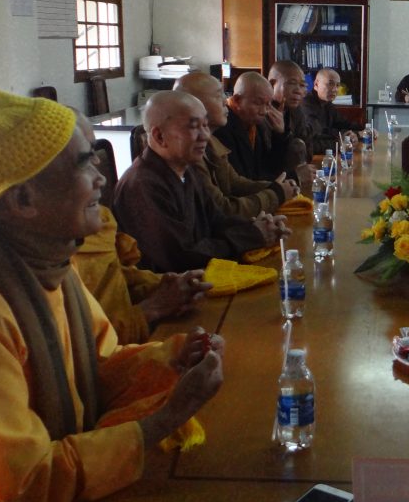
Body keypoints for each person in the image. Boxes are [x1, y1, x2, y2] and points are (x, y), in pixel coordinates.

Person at [0, 82, 223, 502]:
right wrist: (162, 421)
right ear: (24, 199)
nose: (101, 178)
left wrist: (173, 357)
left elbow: (97, 367)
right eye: (84, 164)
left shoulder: (48, 267)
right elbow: (20, 485)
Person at [71, 112, 211, 344]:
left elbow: (117, 279)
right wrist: (153, 307)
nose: (100, 177)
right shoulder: (141, 185)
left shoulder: (98, 219)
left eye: (94, 154)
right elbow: (86, 348)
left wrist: (162, 286)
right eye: (82, 160)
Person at [114, 90, 289, 273]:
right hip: (173, 285)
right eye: (193, 127)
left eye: (205, 125)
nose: (205, 135)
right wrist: (251, 236)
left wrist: (259, 227)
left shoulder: (186, 170)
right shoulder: (143, 185)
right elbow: (181, 258)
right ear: (159, 136)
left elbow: (216, 220)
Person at [174, 72, 299, 217]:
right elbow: (221, 210)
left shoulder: (212, 141)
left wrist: (278, 187)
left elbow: (235, 182)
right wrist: (276, 193)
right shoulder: (189, 152)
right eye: (218, 95)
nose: (225, 100)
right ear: (192, 103)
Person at [215, 71, 295, 181]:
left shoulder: (256, 125)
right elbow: (243, 179)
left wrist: (279, 135)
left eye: (268, 104)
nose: (264, 111)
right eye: (258, 103)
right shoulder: (223, 127)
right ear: (237, 100)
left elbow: (270, 168)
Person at [302, 67, 359, 155]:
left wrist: (362, 131)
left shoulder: (327, 104)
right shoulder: (306, 104)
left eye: (337, 85)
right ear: (316, 84)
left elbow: (344, 123)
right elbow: (318, 134)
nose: (335, 89)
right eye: (330, 84)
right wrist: (340, 141)